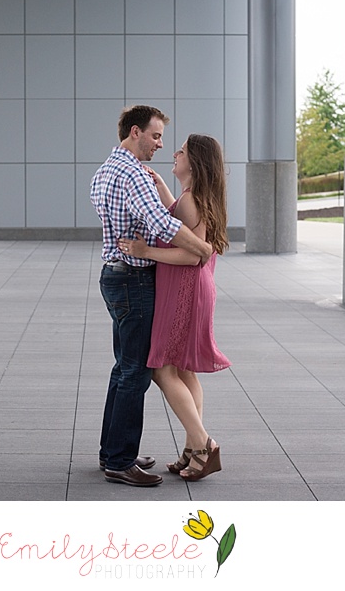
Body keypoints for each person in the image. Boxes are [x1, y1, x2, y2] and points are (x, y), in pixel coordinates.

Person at [91, 106, 213, 488]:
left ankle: (112, 451)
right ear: (134, 132)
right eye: (155, 136)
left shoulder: (105, 171)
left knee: (122, 368)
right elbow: (164, 225)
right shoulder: (133, 175)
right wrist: (204, 250)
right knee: (135, 373)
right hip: (133, 280)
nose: (160, 145)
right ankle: (120, 461)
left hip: (113, 275)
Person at [117, 134, 230, 481]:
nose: (175, 153)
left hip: (183, 290)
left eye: (181, 150)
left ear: (193, 162)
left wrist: (145, 251)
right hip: (194, 290)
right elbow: (179, 220)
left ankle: (203, 444)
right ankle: (191, 450)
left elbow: (191, 253)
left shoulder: (190, 202)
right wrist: (166, 188)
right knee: (184, 370)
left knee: (162, 369)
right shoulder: (193, 198)